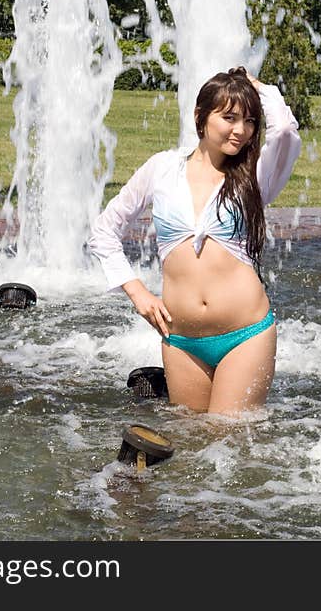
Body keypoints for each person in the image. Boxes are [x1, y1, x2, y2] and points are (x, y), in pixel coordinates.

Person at [89, 67, 302, 416]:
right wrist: (137, 292)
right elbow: (104, 230)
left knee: (229, 444)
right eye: (229, 117)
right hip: (181, 341)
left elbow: (285, 131)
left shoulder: (254, 177)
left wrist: (255, 85)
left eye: (249, 121)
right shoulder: (162, 169)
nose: (241, 130)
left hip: (246, 335)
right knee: (192, 448)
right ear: (200, 116)